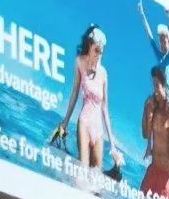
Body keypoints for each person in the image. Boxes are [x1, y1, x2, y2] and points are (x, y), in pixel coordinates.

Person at [47, 24, 121, 184]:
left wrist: (113, 146)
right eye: (96, 51)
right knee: (82, 172)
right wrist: (65, 122)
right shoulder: (80, 62)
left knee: (96, 179)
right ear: (90, 45)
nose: (98, 56)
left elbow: (105, 108)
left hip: (98, 130)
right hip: (84, 123)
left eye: (101, 53)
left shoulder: (104, 73)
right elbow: (74, 92)